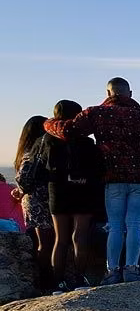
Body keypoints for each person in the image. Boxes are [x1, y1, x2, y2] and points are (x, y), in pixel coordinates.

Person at [44, 77, 140, 285]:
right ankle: (132, 269)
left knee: (116, 226)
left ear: (108, 93)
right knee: (135, 224)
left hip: (114, 178)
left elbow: (69, 131)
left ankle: (112, 272)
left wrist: (48, 124)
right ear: (130, 94)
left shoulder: (97, 113)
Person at [34, 100, 105, 293]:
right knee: (80, 235)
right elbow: (98, 168)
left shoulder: (45, 140)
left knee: (60, 238)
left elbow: (38, 168)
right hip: (82, 189)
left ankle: (58, 282)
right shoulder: (86, 142)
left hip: (57, 190)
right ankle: (80, 280)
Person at [13, 115, 53, 288]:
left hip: (34, 202)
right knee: (46, 243)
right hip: (40, 201)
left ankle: (47, 279)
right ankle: (47, 281)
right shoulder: (35, 152)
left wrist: (20, 191)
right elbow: (24, 179)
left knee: (44, 242)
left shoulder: (27, 152)